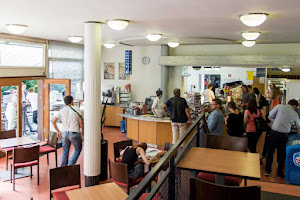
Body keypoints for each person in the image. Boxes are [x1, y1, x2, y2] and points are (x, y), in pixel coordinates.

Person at [265, 99, 300, 178]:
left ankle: (267, 171)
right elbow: (298, 125)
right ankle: (280, 174)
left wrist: (276, 120)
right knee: (281, 155)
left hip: (273, 133)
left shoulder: (279, 106)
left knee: (270, 153)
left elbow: (270, 115)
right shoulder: (294, 113)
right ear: (294, 106)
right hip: (284, 135)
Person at [52, 95, 84, 166]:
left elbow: (53, 121)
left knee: (65, 151)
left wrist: (58, 131)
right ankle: (70, 165)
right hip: (74, 132)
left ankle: (63, 168)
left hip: (65, 133)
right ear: (72, 101)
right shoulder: (76, 109)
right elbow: (81, 122)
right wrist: (83, 132)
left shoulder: (62, 110)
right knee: (78, 149)